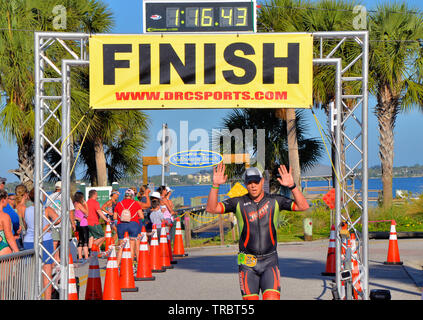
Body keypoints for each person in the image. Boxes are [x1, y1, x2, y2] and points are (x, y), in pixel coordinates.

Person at [206, 163, 309, 300]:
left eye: (256, 182)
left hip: (270, 261)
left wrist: (292, 186)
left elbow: (303, 206)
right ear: (245, 184)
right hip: (247, 263)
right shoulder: (238, 202)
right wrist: (215, 186)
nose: (253, 186)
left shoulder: (275, 200)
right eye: (249, 183)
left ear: (262, 181)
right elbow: (211, 209)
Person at [23, 188, 60, 300]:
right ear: (42, 196)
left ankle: (31, 296)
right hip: (45, 240)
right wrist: (48, 225)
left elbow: (26, 225)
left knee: (31, 272)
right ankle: (47, 298)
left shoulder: (27, 210)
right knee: (47, 272)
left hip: (29, 241)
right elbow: (58, 219)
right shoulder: (46, 209)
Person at [45, 181, 76, 264]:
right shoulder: (66, 197)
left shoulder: (50, 196)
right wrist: (73, 223)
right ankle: (67, 259)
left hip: (53, 223)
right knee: (65, 242)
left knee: (55, 242)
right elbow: (70, 211)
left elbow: (46, 210)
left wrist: (47, 223)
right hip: (65, 224)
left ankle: (55, 259)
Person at [114, 189, 143, 265]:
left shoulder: (119, 204)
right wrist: (134, 218)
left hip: (121, 225)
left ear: (125, 196)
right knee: (132, 246)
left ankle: (117, 265)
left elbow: (114, 217)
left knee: (120, 247)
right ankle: (130, 266)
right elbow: (141, 216)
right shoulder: (135, 203)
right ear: (132, 196)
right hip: (133, 225)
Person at [86, 189, 110, 254]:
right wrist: (106, 219)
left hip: (87, 223)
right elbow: (99, 211)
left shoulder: (86, 202)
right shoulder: (95, 203)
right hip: (94, 223)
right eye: (96, 194)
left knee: (91, 237)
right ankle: (95, 246)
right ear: (94, 195)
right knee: (102, 236)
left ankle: (91, 251)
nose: (97, 196)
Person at [0, 189, 19, 255]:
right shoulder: (4, 216)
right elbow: (9, 236)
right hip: (3, 246)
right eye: (7, 198)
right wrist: (17, 252)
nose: (8, 201)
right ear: (3, 200)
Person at [73, 191, 89, 263]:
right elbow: (86, 213)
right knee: (85, 241)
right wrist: (86, 205)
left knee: (80, 241)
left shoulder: (74, 204)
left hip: (78, 224)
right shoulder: (79, 204)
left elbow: (73, 214)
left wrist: (76, 217)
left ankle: (79, 257)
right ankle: (86, 256)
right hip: (83, 224)